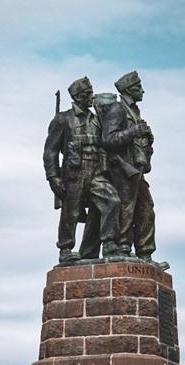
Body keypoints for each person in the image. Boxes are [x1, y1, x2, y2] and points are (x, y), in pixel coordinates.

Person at [42, 76, 121, 263]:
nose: (91, 96)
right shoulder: (63, 119)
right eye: (87, 93)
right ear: (77, 96)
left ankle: (109, 242)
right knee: (71, 212)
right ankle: (65, 249)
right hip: (74, 173)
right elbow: (50, 152)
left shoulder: (96, 119)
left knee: (112, 200)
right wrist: (53, 177)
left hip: (95, 171)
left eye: (91, 92)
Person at [101, 71, 168, 270]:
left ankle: (145, 253)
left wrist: (147, 138)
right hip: (122, 167)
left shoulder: (134, 111)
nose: (142, 91)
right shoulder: (118, 109)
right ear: (130, 89)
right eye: (139, 87)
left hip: (136, 168)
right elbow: (108, 139)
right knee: (126, 209)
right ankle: (122, 249)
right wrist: (134, 131)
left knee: (146, 210)